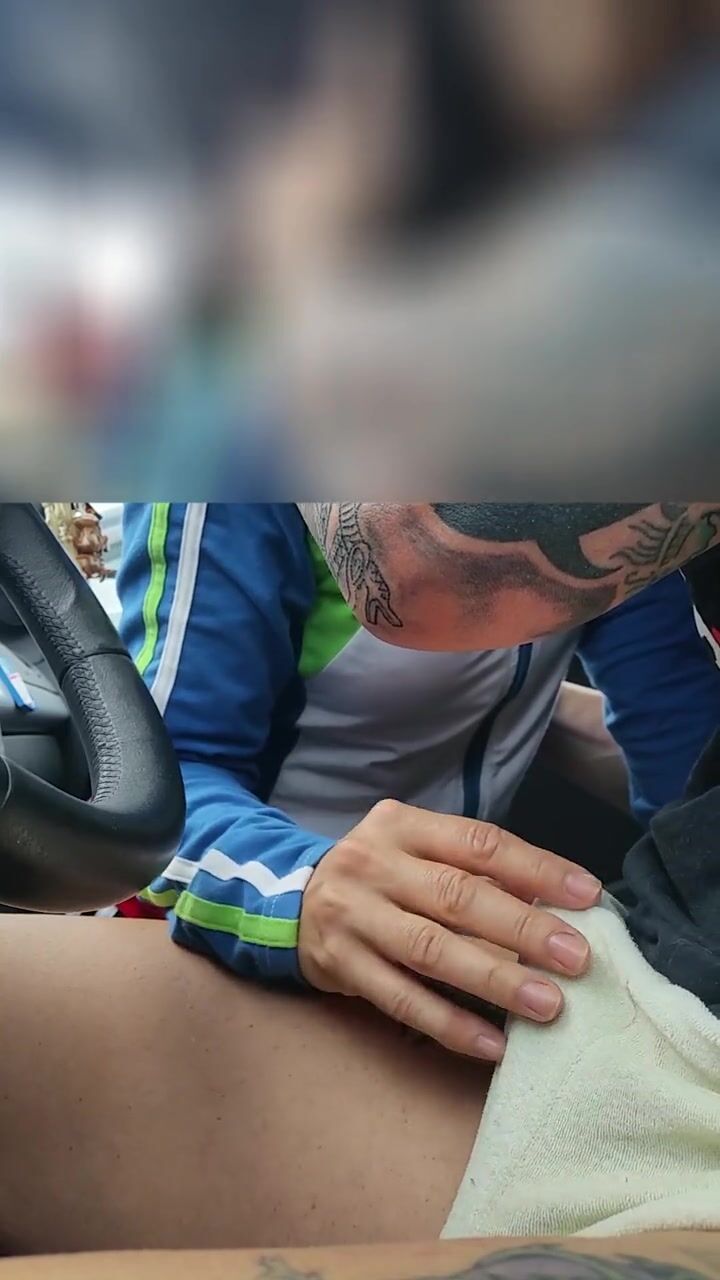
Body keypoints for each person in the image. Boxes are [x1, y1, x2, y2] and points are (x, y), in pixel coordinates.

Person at [111, 501, 720, 1057]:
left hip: (461, 946)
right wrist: (302, 889)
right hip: (255, 916)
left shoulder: (620, 490)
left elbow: (676, 741)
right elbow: (156, 791)